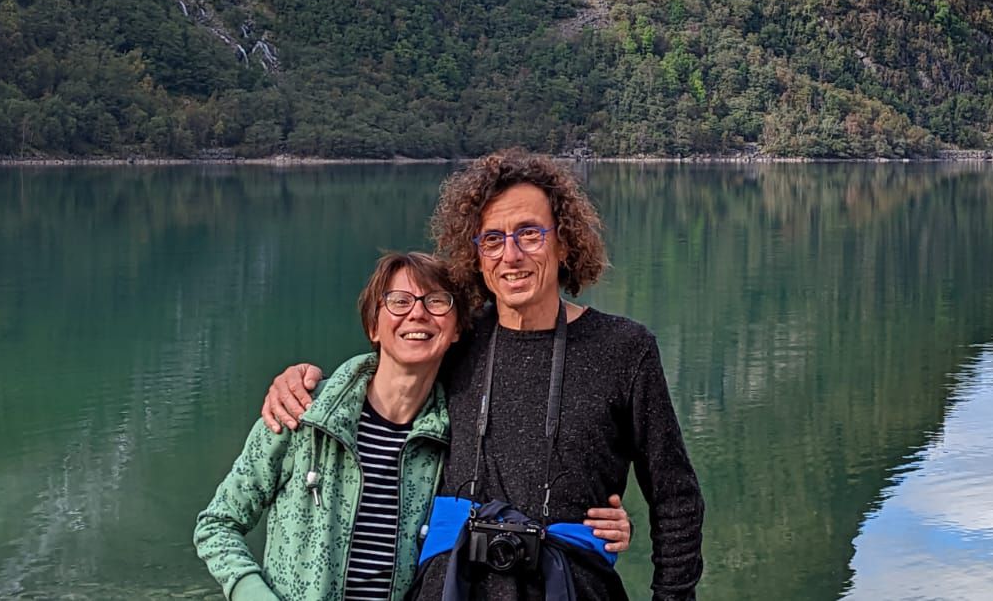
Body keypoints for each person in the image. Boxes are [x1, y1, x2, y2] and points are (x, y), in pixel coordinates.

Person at [263, 151, 705, 600]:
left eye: (529, 234)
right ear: (474, 255)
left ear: (565, 242)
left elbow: (676, 499)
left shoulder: (623, 350)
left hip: (572, 587)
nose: (510, 256)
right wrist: (302, 381)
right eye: (492, 239)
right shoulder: (457, 338)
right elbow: (385, 378)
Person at [197, 250, 632, 601]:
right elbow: (217, 525)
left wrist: (597, 525)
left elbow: (519, 498)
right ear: (374, 325)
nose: (417, 314)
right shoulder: (304, 414)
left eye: (436, 302)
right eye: (399, 302)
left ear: (458, 328)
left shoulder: (458, 437)